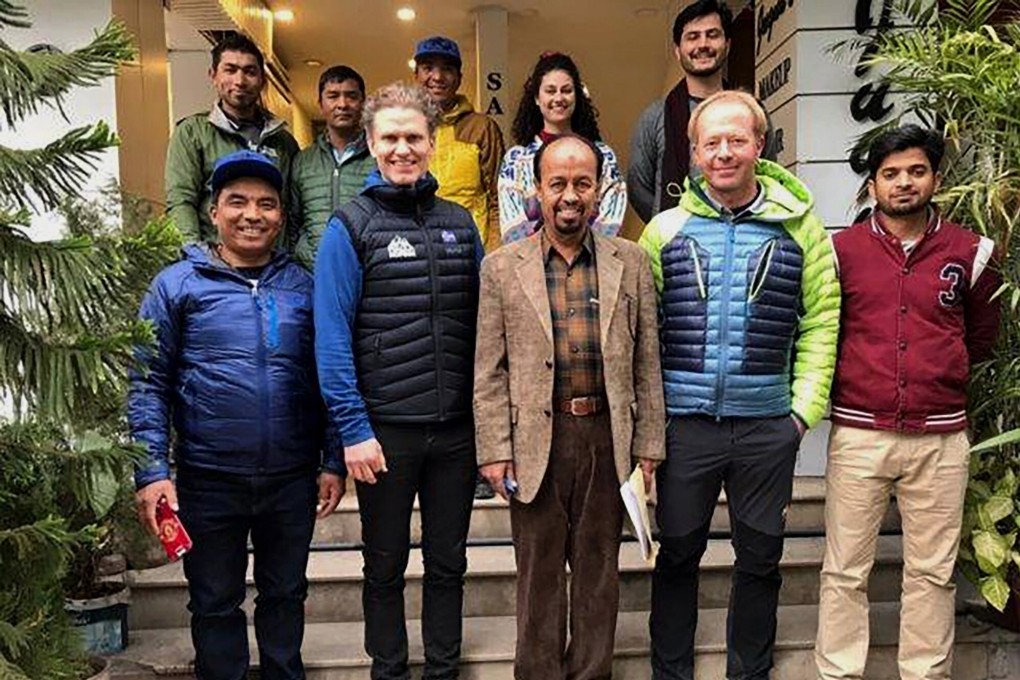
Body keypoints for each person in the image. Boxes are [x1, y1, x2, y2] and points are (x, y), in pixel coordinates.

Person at [639, 90, 840, 680]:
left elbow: (823, 320)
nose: (724, 152)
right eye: (711, 143)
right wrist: (652, 424)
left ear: (759, 145)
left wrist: (801, 413)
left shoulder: (801, 228)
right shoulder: (663, 231)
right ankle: (669, 672)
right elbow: (644, 333)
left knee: (760, 560)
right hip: (685, 425)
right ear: (694, 154)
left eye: (736, 140)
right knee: (677, 557)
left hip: (765, 427)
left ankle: (748, 673)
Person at [130, 150, 344, 680]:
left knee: (286, 595)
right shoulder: (176, 286)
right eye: (238, 202)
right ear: (213, 211)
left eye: (267, 204)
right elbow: (148, 383)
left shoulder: (305, 287)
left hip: (291, 478)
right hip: (208, 478)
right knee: (213, 602)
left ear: (282, 217)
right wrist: (153, 471)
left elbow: (331, 377)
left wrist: (333, 460)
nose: (253, 214)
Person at [474, 134, 666, 679]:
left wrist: (649, 445)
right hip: (537, 439)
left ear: (600, 190)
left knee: (598, 570)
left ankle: (590, 672)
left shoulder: (629, 261)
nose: (570, 195)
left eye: (582, 183)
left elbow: (647, 360)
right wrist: (494, 450)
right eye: (557, 182)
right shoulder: (501, 267)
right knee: (537, 575)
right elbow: (489, 369)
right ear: (538, 189)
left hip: (607, 438)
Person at [815, 125, 1001, 680]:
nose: (903, 183)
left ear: (935, 179)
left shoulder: (971, 252)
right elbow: (827, 328)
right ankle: (839, 672)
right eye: (890, 174)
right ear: (871, 185)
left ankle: (925, 673)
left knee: (932, 572)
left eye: (915, 171)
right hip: (859, 434)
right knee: (845, 570)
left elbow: (981, 336)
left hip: (941, 439)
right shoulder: (839, 251)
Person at [314, 82, 482, 680]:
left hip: (456, 433)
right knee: (383, 564)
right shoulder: (349, 226)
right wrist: (353, 431)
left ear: (433, 144)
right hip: (382, 434)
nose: (403, 148)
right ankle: (389, 669)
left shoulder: (461, 224)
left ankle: (443, 668)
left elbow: (486, 331)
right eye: (391, 137)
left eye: (414, 137)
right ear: (371, 143)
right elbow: (331, 339)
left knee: (448, 562)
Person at [629, 0, 777, 224]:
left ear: (727, 44)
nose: (703, 44)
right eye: (693, 37)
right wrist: (672, 226)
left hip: (746, 239)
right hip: (675, 247)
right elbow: (638, 188)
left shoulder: (753, 113)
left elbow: (770, 177)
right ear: (678, 51)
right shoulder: (655, 116)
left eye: (712, 34)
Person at [165, 33, 300, 245]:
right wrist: (195, 257)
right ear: (213, 75)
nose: (240, 81)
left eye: (250, 72)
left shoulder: (283, 141)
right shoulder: (192, 133)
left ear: (262, 80)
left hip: (273, 265)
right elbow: (181, 201)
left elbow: (291, 206)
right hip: (215, 262)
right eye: (230, 70)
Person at [498, 52, 627, 245]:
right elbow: (512, 225)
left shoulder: (603, 156)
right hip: (531, 268)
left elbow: (611, 221)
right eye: (550, 91)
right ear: (536, 97)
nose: (559, 98)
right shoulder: (516, 160)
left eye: (566, 90)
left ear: (577, 95)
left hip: (595, 264)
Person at [413, 35, 505, 252]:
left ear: (459, 78)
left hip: (470, 250)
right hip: (418, 251)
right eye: (428, 68)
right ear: (416, 75)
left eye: (447, 69)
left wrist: (493, 254)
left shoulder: (482, 127)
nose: (437, 77)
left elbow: (498, 199)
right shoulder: (404, 129)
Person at [289, 64, 375, 270]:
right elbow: (292, 222)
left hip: (367, 273)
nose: (342, 104)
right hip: (311, 274)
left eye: (351, 96)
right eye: (333, 96)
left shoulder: (380, 158)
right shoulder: (303, 160)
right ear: (320, 103)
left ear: (363, 103)